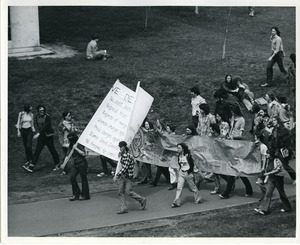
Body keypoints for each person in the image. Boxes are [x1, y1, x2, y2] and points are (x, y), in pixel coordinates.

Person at [23, 105, 60, 173]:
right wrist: (40, 133)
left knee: (52, 150)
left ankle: (57, 164)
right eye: (40, 111)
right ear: (38, 111)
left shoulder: (47, 117)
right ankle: (31, 167)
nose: (42, 112)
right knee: (37, 151)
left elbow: (46, 126)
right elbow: (38, 125)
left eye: (43, 110)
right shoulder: (37, 116)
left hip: (48, 136)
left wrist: (38, 133)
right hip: (42, 137)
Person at [254, 150, 292, 215]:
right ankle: (263, 209)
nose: (266, 155)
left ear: (271, 155)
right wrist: (266, 177)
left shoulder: (277, 160)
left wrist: (268, 173)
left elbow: (278, 169)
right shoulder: (268, 161)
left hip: (278, 178)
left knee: (282, 193)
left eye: (267, 154)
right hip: (272, 179)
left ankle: (288, 207)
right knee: (268, 193)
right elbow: (266, 170)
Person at [113, 141, 146, 214]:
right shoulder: (123, 155)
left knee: (128, 191)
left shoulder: (127, 156)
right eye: (119, 147)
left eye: (121, 147)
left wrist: (117, 175)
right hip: (123, 176)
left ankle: (141, 199)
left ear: (124, 147)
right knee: (120, 192)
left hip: (127, 176)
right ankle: (123, 207)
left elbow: (125, 167)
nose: (120, 148)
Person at [172, 143, 202, 207]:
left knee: (193, 187)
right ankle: (176, 202)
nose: (177, 149)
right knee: (179, 188)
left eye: (179, 148)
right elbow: (180, 163)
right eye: (177, 148)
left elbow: (191, 164)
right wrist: (180, 170)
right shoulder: (179, 155)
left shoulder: (188, 155)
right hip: (181, 172)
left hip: (187, 173)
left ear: (183, 149)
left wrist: (188, 171)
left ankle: (198, 198)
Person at [268, 116, 296, 184]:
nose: (273, 121)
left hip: (281, 150)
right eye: (273, 120)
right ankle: (270, 177)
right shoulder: (274, 129)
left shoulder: (283, 130)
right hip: (275, 149)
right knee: (271, 163)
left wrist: (285, 148)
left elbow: (286, 140)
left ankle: (295, 177)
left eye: (275, 120)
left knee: (285, 165)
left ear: (278, 121)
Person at [67, 132, 90, 201]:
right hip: (75, 164)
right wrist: (63, 164)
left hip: (82, 164)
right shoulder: (71, 145)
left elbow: (83, 154)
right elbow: (68, 154)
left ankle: (85, 195)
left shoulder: (79, 144)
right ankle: (76, 194)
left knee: (83, 179)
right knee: (72, 177)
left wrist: (76, 148)